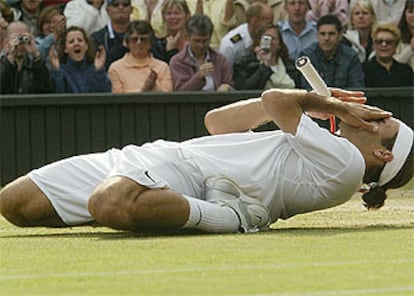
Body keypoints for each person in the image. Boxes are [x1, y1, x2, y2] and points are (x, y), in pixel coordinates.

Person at [0, 86, 412, 234]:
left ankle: (228, 218)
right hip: (161, 157)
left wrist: (326, 104)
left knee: (107, 203)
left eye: (380, 122)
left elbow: (276, 99)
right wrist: (320, 106)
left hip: (191, 179)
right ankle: (153, 211)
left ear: (382, 153)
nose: (371, 114)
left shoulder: (348, 166)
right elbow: (217, 122)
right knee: (13, 204)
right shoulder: (322, 148)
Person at [170, 14, 234, 91]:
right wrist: (198, 77)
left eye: (205, 41)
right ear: (187, 38)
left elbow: (231, 86)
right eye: (197, 41)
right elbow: (180, 93)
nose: (201, 45)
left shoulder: (221, 60)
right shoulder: (178, 62)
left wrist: (227, 88)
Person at [299, 14, 365, 90]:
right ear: (317, 35)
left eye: (331, 34)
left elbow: (356, 89)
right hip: (315, 101)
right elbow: (306, 89)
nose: (326, 38)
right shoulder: (307, 57)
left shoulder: (350, 57)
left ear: (340, 35)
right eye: (322, 34)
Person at [108, 20, 173, 93]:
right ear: (127, 42)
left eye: (143, 39)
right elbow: (118, 98)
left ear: (150, 42)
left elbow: (167, 97)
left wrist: (155, 87)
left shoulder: (163, 67)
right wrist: (145, 89)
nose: (138, 43)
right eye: (134, 39)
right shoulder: (115, 68)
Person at [233, 23, 299, 90]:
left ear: (279, 45)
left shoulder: (292, 66)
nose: (270, 42)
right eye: (266, 38)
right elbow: (244, 89)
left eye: (273, 38)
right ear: (259, 41)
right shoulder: (244, 64)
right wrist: (265, 66)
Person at [49, 26, 112, 93]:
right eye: (71, 42)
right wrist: (57, 72)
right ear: (65, 49)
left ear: (86, 46)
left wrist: (99, 71)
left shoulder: (95, 69)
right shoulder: (60, 70)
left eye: (80, 40)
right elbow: (58, 96)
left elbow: (104, 95)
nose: (76, 44)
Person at [0, 21, 53, 94]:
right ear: (6, 42)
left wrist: (36, 54)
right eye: (16, 39)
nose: (20, 43)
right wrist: (10, 58)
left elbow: (47, 89)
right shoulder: (2, 65)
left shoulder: (35, 66)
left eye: (24, 38)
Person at [219, 1, 273, 66]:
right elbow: (224, 73)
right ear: (255, 22)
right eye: (268, 23)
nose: (271, 26)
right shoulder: (231, 44)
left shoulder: (268, 37)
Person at [364, 23, 413, 87]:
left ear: (396, 46)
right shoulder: (364, 70)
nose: (384, 45)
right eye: (379, 41)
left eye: (389, 42)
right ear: (374, 45)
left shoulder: (406, 71)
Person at [91, 0, 133, 70]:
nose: (121, 7)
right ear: (107, 10)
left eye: (125, 4)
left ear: (131, 9)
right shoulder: (96, 38)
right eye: (115, 5)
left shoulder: (142, 35)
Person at [394, 0, 414, 71]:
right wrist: (410, 49)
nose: (413, 15)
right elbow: (394, 64)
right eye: (410, 12)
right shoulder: (396, 35)